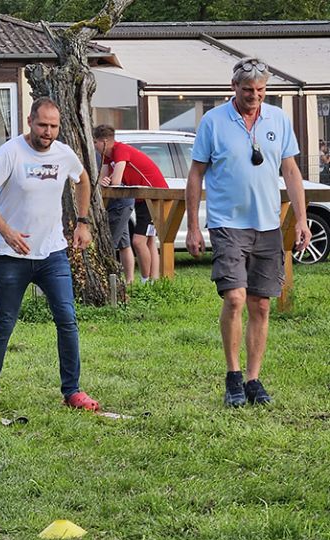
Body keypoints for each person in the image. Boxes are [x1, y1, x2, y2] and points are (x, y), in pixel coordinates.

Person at [186, 57, 311, 407]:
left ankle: (254, 380)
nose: (254, 96)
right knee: (236, 297)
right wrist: (194, 225)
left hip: (268, 223)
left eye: (260, 90)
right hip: (227, 223)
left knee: (260, 303)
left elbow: (290, 170)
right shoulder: (213, 122)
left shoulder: (278, 119)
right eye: (247, 90)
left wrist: (300, 220)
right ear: (233, 88)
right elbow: (196, 174)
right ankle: (233, 377)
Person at [0, 97, 100, 415]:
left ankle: (72, 391)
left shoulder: (64, 154)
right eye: (43, 125)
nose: (48, 132)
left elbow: (83, 180)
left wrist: (82, 222)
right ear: (29, 120)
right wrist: (6, 231)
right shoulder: (9, 154)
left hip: (52, 253)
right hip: (12, 256)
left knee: (67, 321)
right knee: (4, 323)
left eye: (54, 126)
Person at [92, 124, 169, 284]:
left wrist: (108, 180)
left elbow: (116, 180)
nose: (94, 146)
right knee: (149, 240)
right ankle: (153, 280)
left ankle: (145, 279)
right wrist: (103, 180)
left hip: (154, 195)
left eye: (95, 142)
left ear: (105, 141)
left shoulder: (121, 150)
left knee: (138, 242)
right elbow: (103, 180)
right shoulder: (107, 156)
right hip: (141, 197)